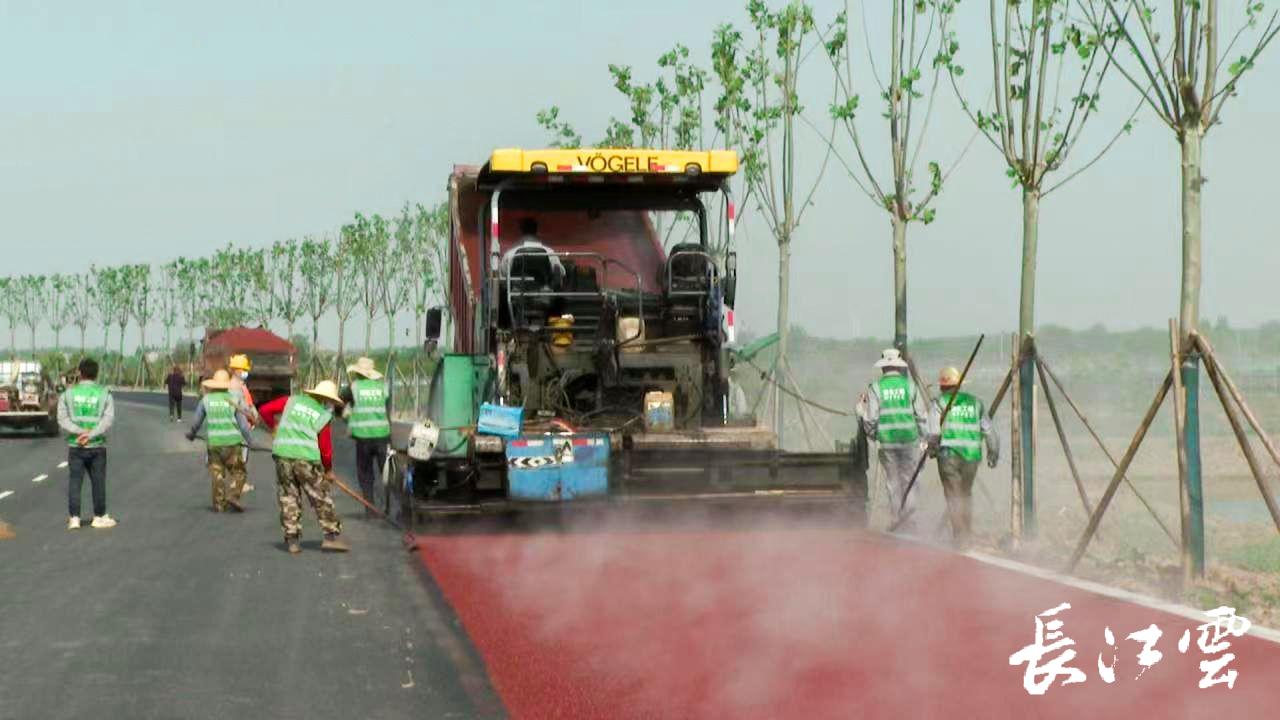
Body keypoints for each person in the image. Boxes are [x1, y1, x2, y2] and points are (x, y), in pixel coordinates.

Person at [259, 380, 349, 555]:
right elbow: (325, 448)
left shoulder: (291, 401)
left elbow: (264, 410)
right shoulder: (322, 414)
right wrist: (328, 470)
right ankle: (330, 537)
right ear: (326, 399)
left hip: (282, 455)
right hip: (306, 459)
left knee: (288, 497)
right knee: (320, 496)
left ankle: (292, 541)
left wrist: (274, 427)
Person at [857, 348, 928, 532]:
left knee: (893, 482)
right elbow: (921, 416)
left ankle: (897, 519)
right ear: (899, 367)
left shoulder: (876, 388)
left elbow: (871, 419)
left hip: (887, 442)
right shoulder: (910, 386)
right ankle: (910, 520)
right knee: (910, 479)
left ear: (883, 367)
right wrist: (925, 438)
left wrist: (874, 434)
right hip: (910, 439)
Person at [927, 366, 999, 546]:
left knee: (953, 495)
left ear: (942, 386)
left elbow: (934, 433)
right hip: (972, 456)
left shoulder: (938, 403)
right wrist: (993, 452)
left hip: (948, 455)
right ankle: (966, 533)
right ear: (959, 385)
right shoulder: (976, 403)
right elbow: (989, 431)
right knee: (966, 494)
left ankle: (960, 537)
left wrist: (932, 449)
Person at [57, 357, 117, 530]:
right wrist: (90, 434)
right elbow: (108, 420)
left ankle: (74, 518)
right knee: (98, 482)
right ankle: (99, 516)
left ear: (80, 373)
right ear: (96, 374)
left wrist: (79, 432)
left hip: (76, 445)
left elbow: (62, 418)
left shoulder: (68, 394)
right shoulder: (105, 393)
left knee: (75, 482)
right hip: (97, 445)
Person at [185, 370, 255, 513]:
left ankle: (219, 504)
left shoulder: (206, 400)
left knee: (217, 475)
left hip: (214, 444)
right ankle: (234, 496)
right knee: (240, 473)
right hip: (232, 444)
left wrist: (192, 434)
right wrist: (250, 442)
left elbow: (196, 422)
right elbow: (243, 426)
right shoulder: (232, 400)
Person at [341, 357, 391, 515]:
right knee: (387, 473)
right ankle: (389, 507)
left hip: (362, 437)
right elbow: (387, 409)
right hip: (382, 435)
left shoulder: (354, 387)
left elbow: (340, 401)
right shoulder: (383, 387)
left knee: (365, 474)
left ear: (358, 373)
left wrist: (347, 414)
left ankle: (370, 509)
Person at [226, 354, 258, 495]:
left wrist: (253, 413)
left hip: (243, 425)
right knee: (240, 457)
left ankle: (239, 483)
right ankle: (238, 484)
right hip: (239, 428)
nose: (246, 372)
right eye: (244, 370)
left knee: (241, 456)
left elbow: (247, 403)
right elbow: (236, 410)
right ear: (236, 370)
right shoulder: (234, 387)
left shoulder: (240, 386)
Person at [500, 217, 564, 282]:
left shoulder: (510, 253)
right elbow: (561, 272)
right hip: (544, 287)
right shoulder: (549, 252)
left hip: (517, 287)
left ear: (521, 231)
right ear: (536, 231)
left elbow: (504, 273)